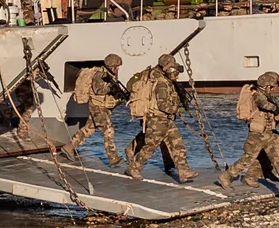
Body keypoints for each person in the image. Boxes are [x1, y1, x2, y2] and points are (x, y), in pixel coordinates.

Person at [218, 71, 279, 193]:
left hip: (268, 134)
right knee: (248, 159)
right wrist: (277, 109)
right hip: (257, 134)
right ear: (267, 85)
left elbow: (269, 115)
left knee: (278, 159)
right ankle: (225, 176)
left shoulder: (267, 95)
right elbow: (264, 105)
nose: (275, 88)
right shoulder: (257, 94)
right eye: (273, 86)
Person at [125, 53, 197, 183]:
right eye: (173, 69)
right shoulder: (162, 84)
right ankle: (133, 168)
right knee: (150, 147)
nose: (175, 72)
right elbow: (162, 104)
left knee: (178, 144)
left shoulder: (162, 80)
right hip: (157, 119)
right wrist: (176, 109)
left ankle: (184, 171)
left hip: (166, 120)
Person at [67, 55, 127, 166]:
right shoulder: (100, 75)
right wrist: (111, 89)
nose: (118, 69)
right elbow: (98, 90)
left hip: (101, 106)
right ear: (111, 66)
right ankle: (113, 158)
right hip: (97, 107)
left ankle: (69, 147)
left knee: (89, 129)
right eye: (117, 66)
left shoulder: (108, 75)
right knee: (108, 131)